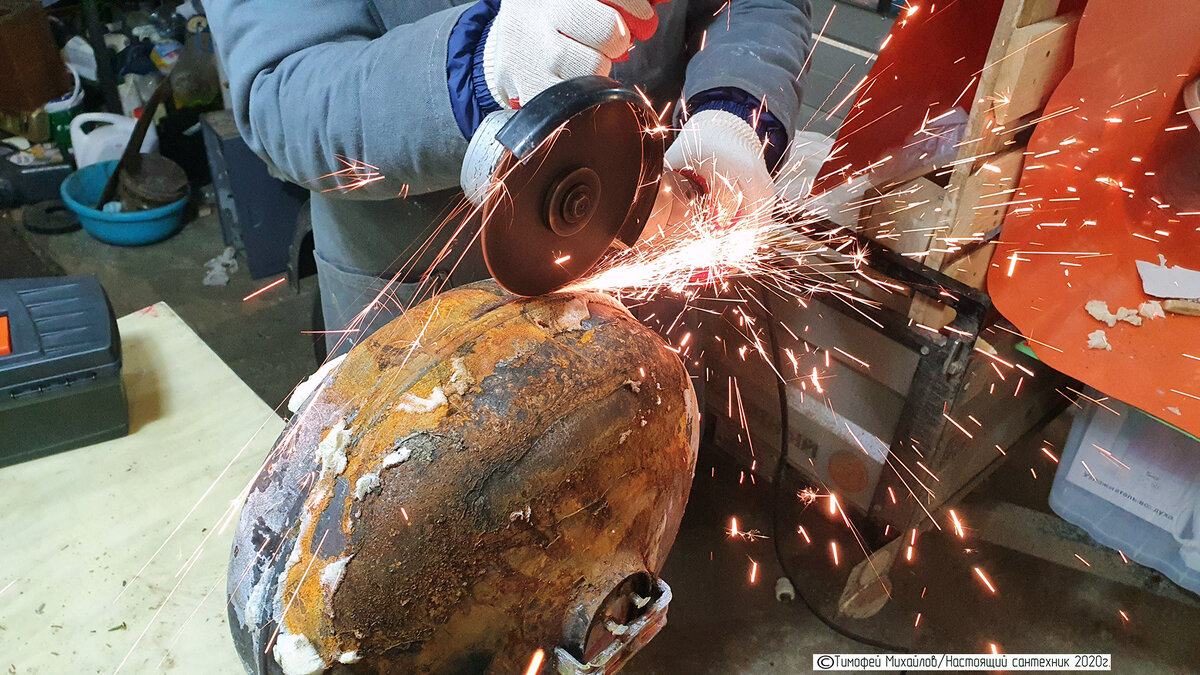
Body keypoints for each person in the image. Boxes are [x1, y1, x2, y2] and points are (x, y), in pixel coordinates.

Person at [206, 0, 813, 356]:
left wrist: (734, 111)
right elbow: (282, 91)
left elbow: (756, 4)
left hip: (647, 274)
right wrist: (481, 65)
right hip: (424, 308)